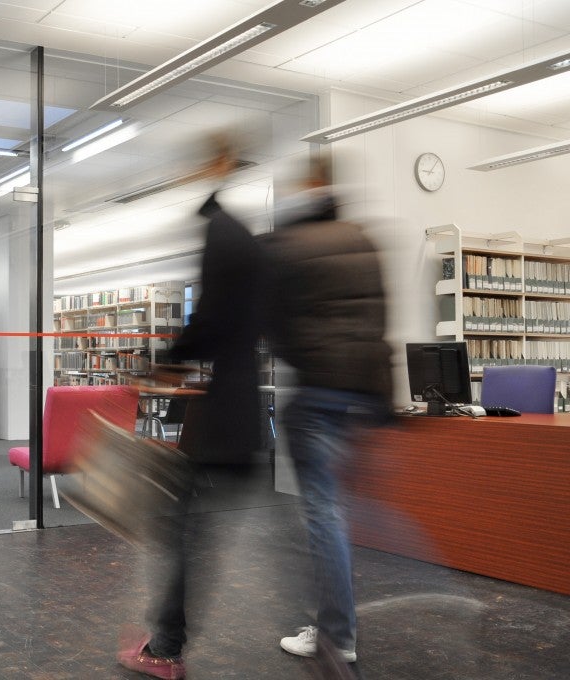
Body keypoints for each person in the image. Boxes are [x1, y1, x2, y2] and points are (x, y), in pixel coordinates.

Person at [117, 133, 266, 679]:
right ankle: (166, 640)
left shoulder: (221, 232)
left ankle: (165, 648)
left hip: (223, 414)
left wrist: (169, 360)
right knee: (191, 532)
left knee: (181, 531)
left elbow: (210, 317)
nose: (187, 172)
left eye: (196, 163)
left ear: (217, 164)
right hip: (239, 408)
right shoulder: (243, 236)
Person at [262, 154, 393, 674]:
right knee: (344, 508)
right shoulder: (363, 239)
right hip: (362, 392)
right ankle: (338, 625)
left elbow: (276, 324)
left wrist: (303, 361)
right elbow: (381, 316)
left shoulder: (291, 243)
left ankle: (337, 636)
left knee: (323, 512)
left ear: (308, 186)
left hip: (318, 391)